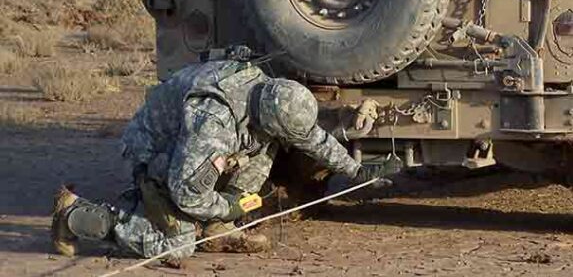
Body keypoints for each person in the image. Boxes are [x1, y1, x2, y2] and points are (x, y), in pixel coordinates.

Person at [51, 55, 401, 263]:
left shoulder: (271, 94)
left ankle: (219, 229)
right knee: (177, 245)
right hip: (156, 156)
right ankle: (76, 215)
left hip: (191, 153)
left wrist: (356, 170)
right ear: (266, 116)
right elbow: (188, 191)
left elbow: (310, 136)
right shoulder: (214, 121)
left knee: (266, 149)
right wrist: (229, 206)